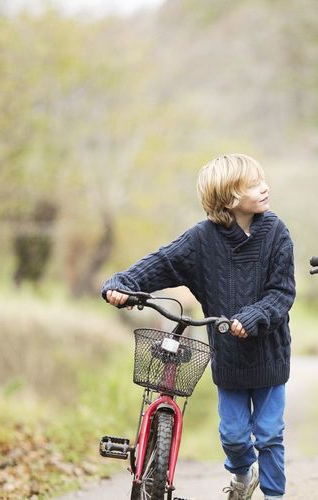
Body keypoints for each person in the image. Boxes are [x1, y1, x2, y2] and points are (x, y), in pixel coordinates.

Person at [101, 154, 294, 500]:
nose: (264, 188)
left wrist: (251, 317)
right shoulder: (202, 239)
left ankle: (274, 496)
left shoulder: (277, 233)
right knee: (234, 436)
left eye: (262, 180)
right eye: (253, 184)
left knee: (269, 434)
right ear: (229, 198)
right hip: (230, 359)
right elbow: (161, 263)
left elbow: (282, 294)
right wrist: (122, 283)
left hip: (269, 356)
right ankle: (241, 476)